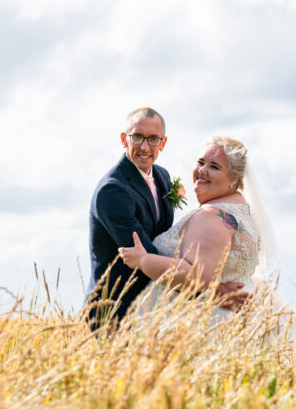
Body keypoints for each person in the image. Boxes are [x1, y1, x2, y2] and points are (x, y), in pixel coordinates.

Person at [86, 109, 248, 331]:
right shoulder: (113, 191)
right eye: (137, 137)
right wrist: (209, 291)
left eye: (153, 139)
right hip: (116, 311)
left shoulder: (162, 176)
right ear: (124, 139)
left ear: (162, 143)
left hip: (152, 311)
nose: (145, 147)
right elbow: (144, 254)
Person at [119, 135, 280, 325]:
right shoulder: (242, 213)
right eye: (201, 162)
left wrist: (143, 260)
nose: (202, 170)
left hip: (205, 325)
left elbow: (195, 275)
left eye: (214, 167)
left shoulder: (212, 215)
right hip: (235, 320)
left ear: (233, 179)